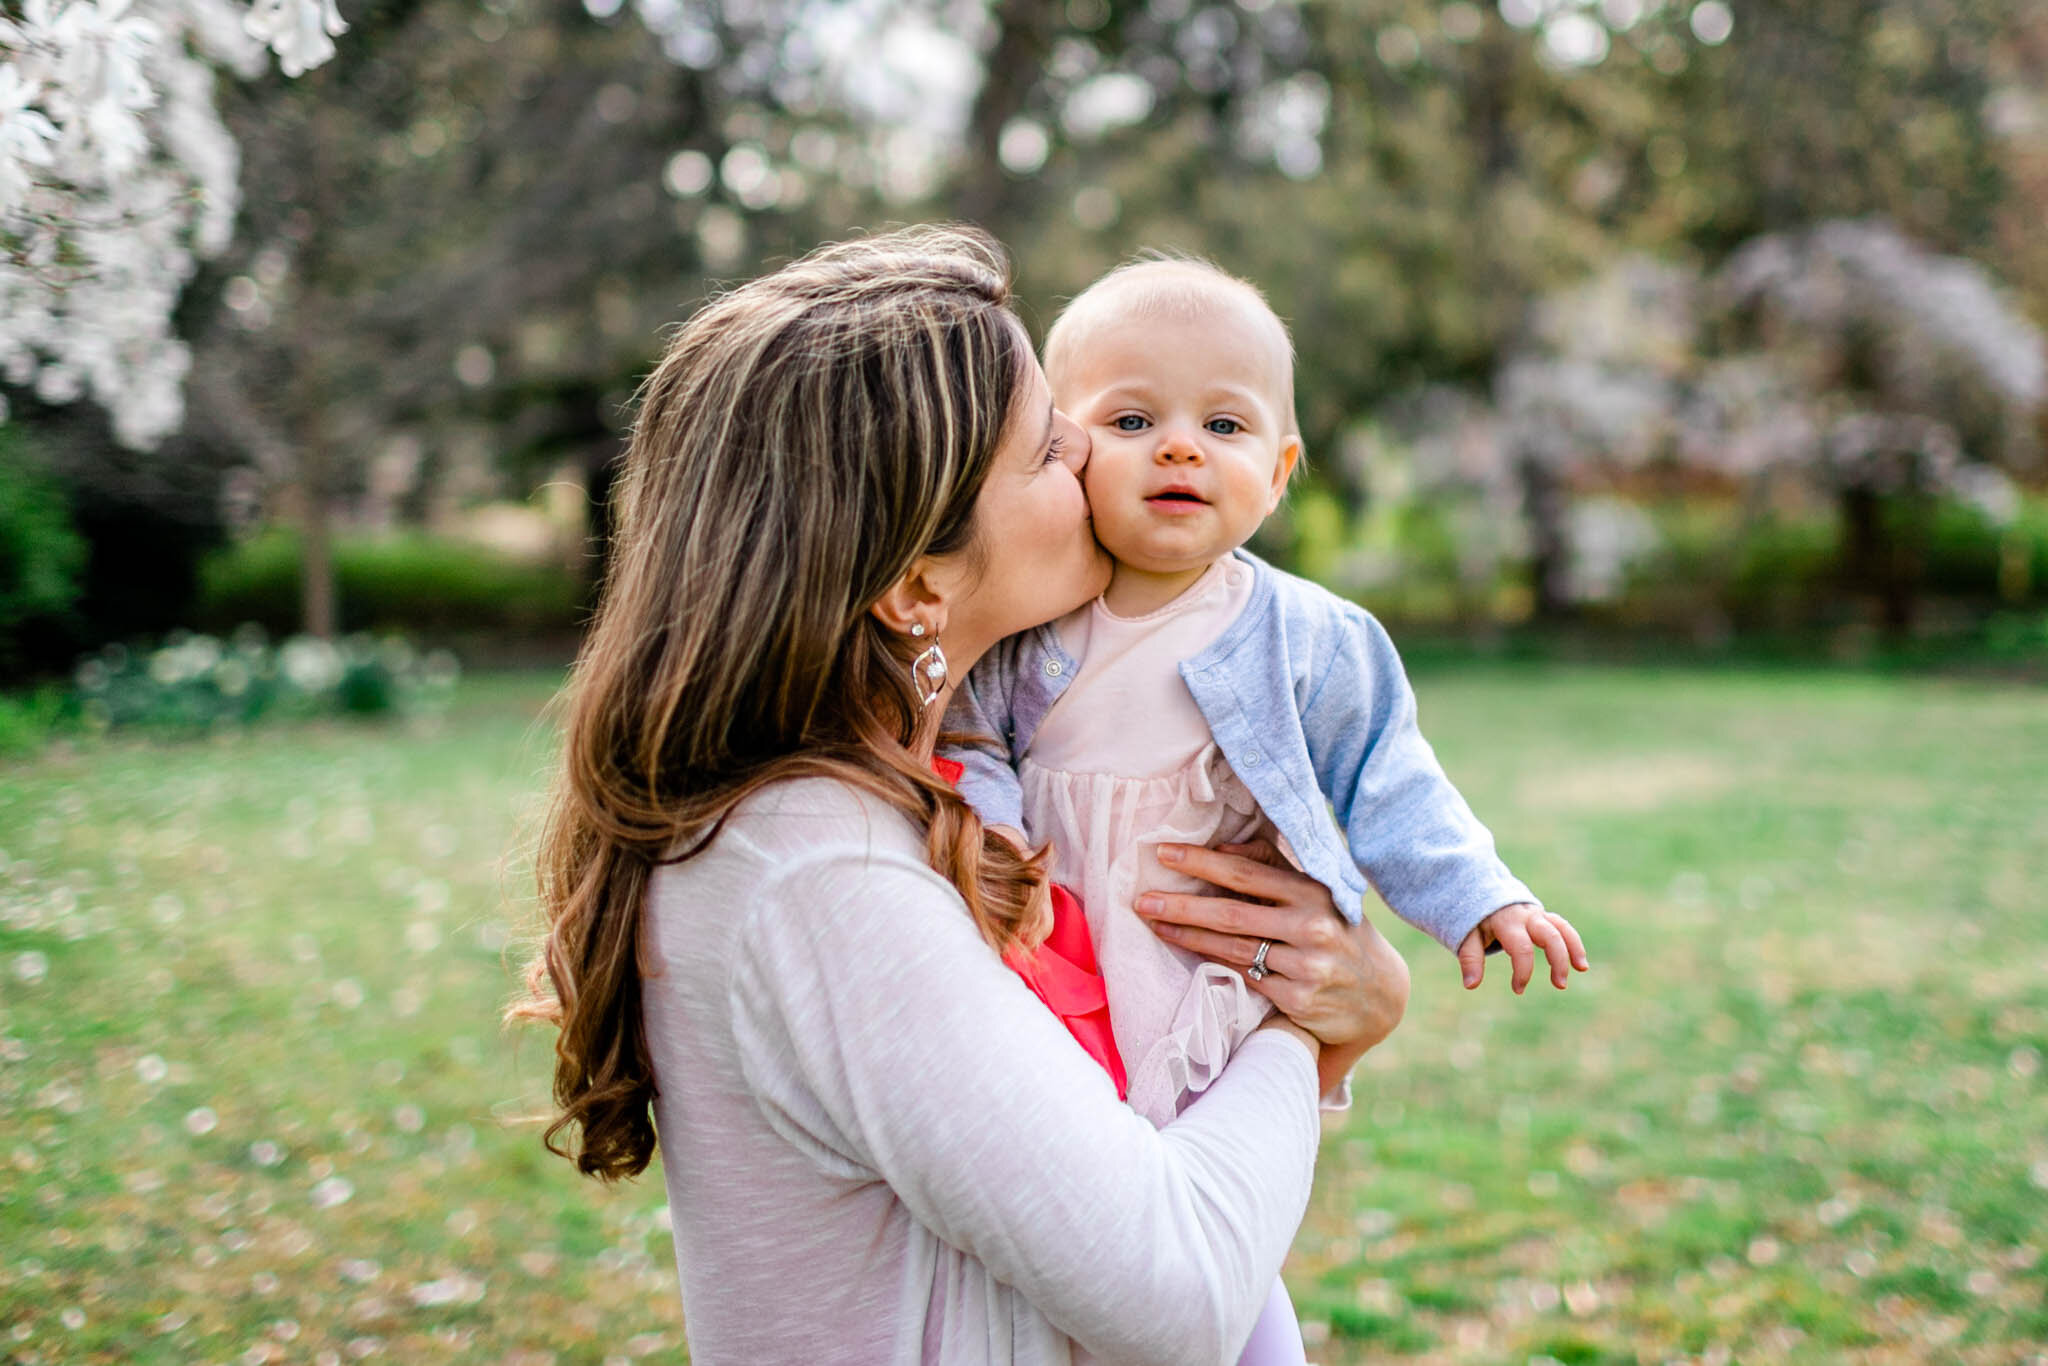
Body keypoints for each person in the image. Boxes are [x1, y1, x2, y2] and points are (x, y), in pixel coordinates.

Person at [512, 225, 1413, 1365]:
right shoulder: (815, 867)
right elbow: (1176, 1289)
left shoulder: (922, 795)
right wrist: (1303, 1025)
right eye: (1049, 449)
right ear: (914, 583)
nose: (1093, 464)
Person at [944, 257, 1592, 1361]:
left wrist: (1478, 894)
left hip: (1197, 973)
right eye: (1133, 417)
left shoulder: (1308, 637)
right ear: (1062, 450)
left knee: (1216, 1267)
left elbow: (1388, 777)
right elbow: (967, 739)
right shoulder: (1028, 628)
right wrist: (994, 840)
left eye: (1225, 424)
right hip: (1061, 958)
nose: (1181, 446)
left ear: (1280, 469)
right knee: (1067, 1245)